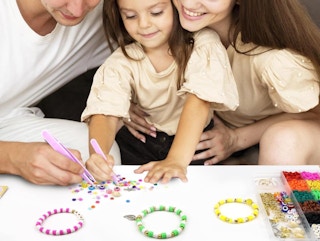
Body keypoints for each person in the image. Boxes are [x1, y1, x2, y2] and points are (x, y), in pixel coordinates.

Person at [126, 0, 320, 175]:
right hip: (216, 137)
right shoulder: (167, 22)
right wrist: (129, 98)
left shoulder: (273, 59)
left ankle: (299, 213)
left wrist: (237, 139)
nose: (189, 3)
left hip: (292, 135)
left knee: (282, 141)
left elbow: (314, 113)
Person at [81, 0, 239, 183]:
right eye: (130, 16)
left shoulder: (203, 44)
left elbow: (199, 102)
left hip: (194, 143)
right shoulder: (121, 61)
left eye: (156, 13)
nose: (144, 25)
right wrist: (98, 155)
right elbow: (105, 113)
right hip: (141, 141)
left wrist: (176, 160)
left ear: (176, 7)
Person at [0, 0, 120, 186]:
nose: (77, 9)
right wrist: (12, 157)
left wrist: (131, 93)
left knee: (100, 155)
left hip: (10, 122)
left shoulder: (106, 15)